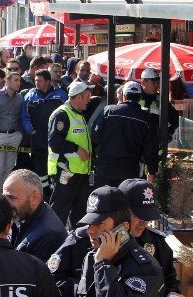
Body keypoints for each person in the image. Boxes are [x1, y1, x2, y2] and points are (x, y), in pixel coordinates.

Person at [118, 179, 185, 297]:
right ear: (121, 211)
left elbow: (169, 281)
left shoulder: (157, 243)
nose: (144, 223)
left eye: (148, 216)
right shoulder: (96, 238)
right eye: (138, 216)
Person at [92, 81, 160, 187]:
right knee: (125, 202)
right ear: (140, 98)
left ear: (123, 96)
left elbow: (94, 137)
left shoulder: (108, 111)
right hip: (130, 171)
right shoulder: (146, 119)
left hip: (105, 168)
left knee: (103, 202)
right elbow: (151, 149)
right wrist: (151, 172)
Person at [47, 82, 93, 228]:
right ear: (78, 97)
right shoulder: (62, 114)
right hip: (65, 171)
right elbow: (54, 142)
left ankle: (76, 243)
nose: (89, 100)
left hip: (79, 172)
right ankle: (53, 241)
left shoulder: (79, 115)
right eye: (87, 96)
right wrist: (77, 148)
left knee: (79, 212)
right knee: (60, 210)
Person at [22, 69, 67, 196]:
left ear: (47, 81)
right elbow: (24, 115)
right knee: (40, 168)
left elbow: (67, 114)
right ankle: (44, 194)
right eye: (36, 81)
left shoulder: (60, 95)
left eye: (40, 81)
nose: (37, 83)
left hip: (56, 139)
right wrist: (30, 130)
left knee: (55, 167)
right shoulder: (30, 96)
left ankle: (55, 192)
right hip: (37, 139)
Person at [0, 72, 24, 194]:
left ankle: (6, 195)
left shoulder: (20, 98)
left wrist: (19, 134)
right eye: (16, 80)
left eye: (19, 80)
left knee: (9, 168)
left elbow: (21, 117)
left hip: (14, 135)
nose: (19, 83)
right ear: (7, 82)